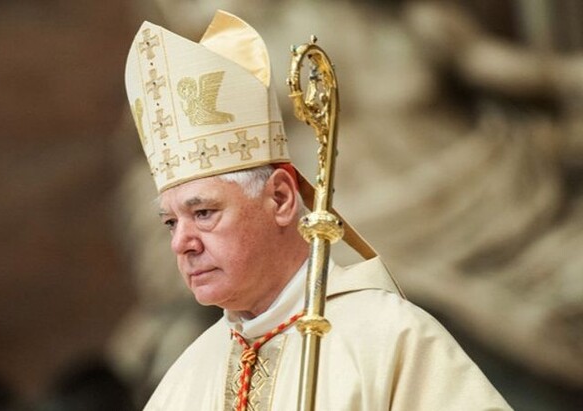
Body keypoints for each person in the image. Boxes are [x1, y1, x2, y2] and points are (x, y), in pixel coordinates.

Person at [124, 9, 512, 411]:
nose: (181, 243)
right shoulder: (184, 380)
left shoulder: (388, 338)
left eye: (203, 213)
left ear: (281, 199)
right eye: (171, 222)